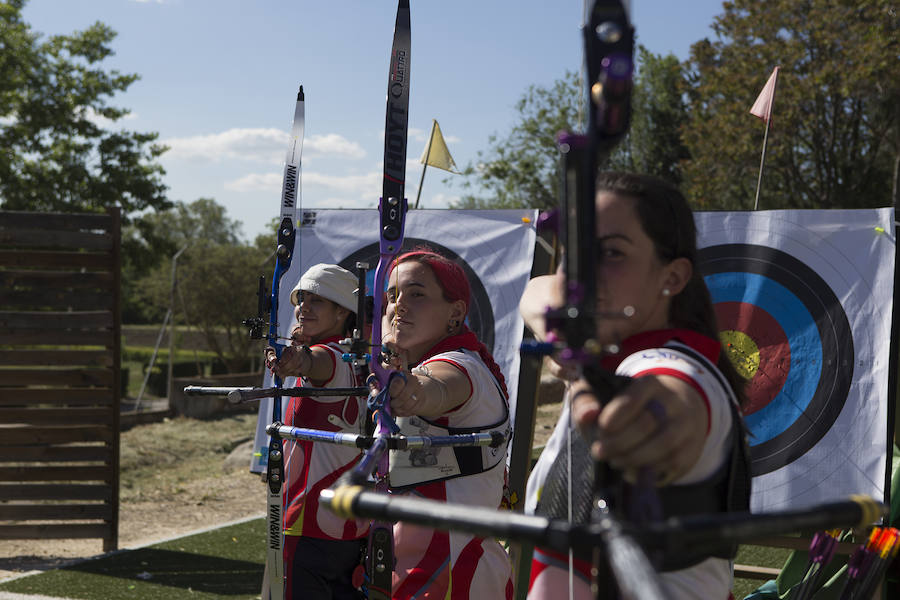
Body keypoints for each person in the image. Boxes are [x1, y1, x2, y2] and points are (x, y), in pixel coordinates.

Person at [520, 172, 751, 600]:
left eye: (611, 253)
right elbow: (536, 292)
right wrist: (563, 341)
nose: (581, 276)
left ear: (673, 277)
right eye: (575, 252)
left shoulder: (673, 365)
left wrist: (655, 417)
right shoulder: (605, 353)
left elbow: (672, 391)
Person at [378, 248, 514, 600]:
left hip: (454, 575)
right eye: (392, 296)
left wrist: (408, 389)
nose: (399, 306)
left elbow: (435, 387)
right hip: (411, 568)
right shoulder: (418, 363)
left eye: (417, 294)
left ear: (455, 314)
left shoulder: (460, 365)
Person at [265, 263, 368, 600]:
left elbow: (313, 363)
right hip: (347, 527)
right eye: (301, 299)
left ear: (343, 312)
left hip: (308, 525)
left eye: (318, 301)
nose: (303, 307)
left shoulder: (332, 358)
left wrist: (294, 358)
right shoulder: (358, 358)